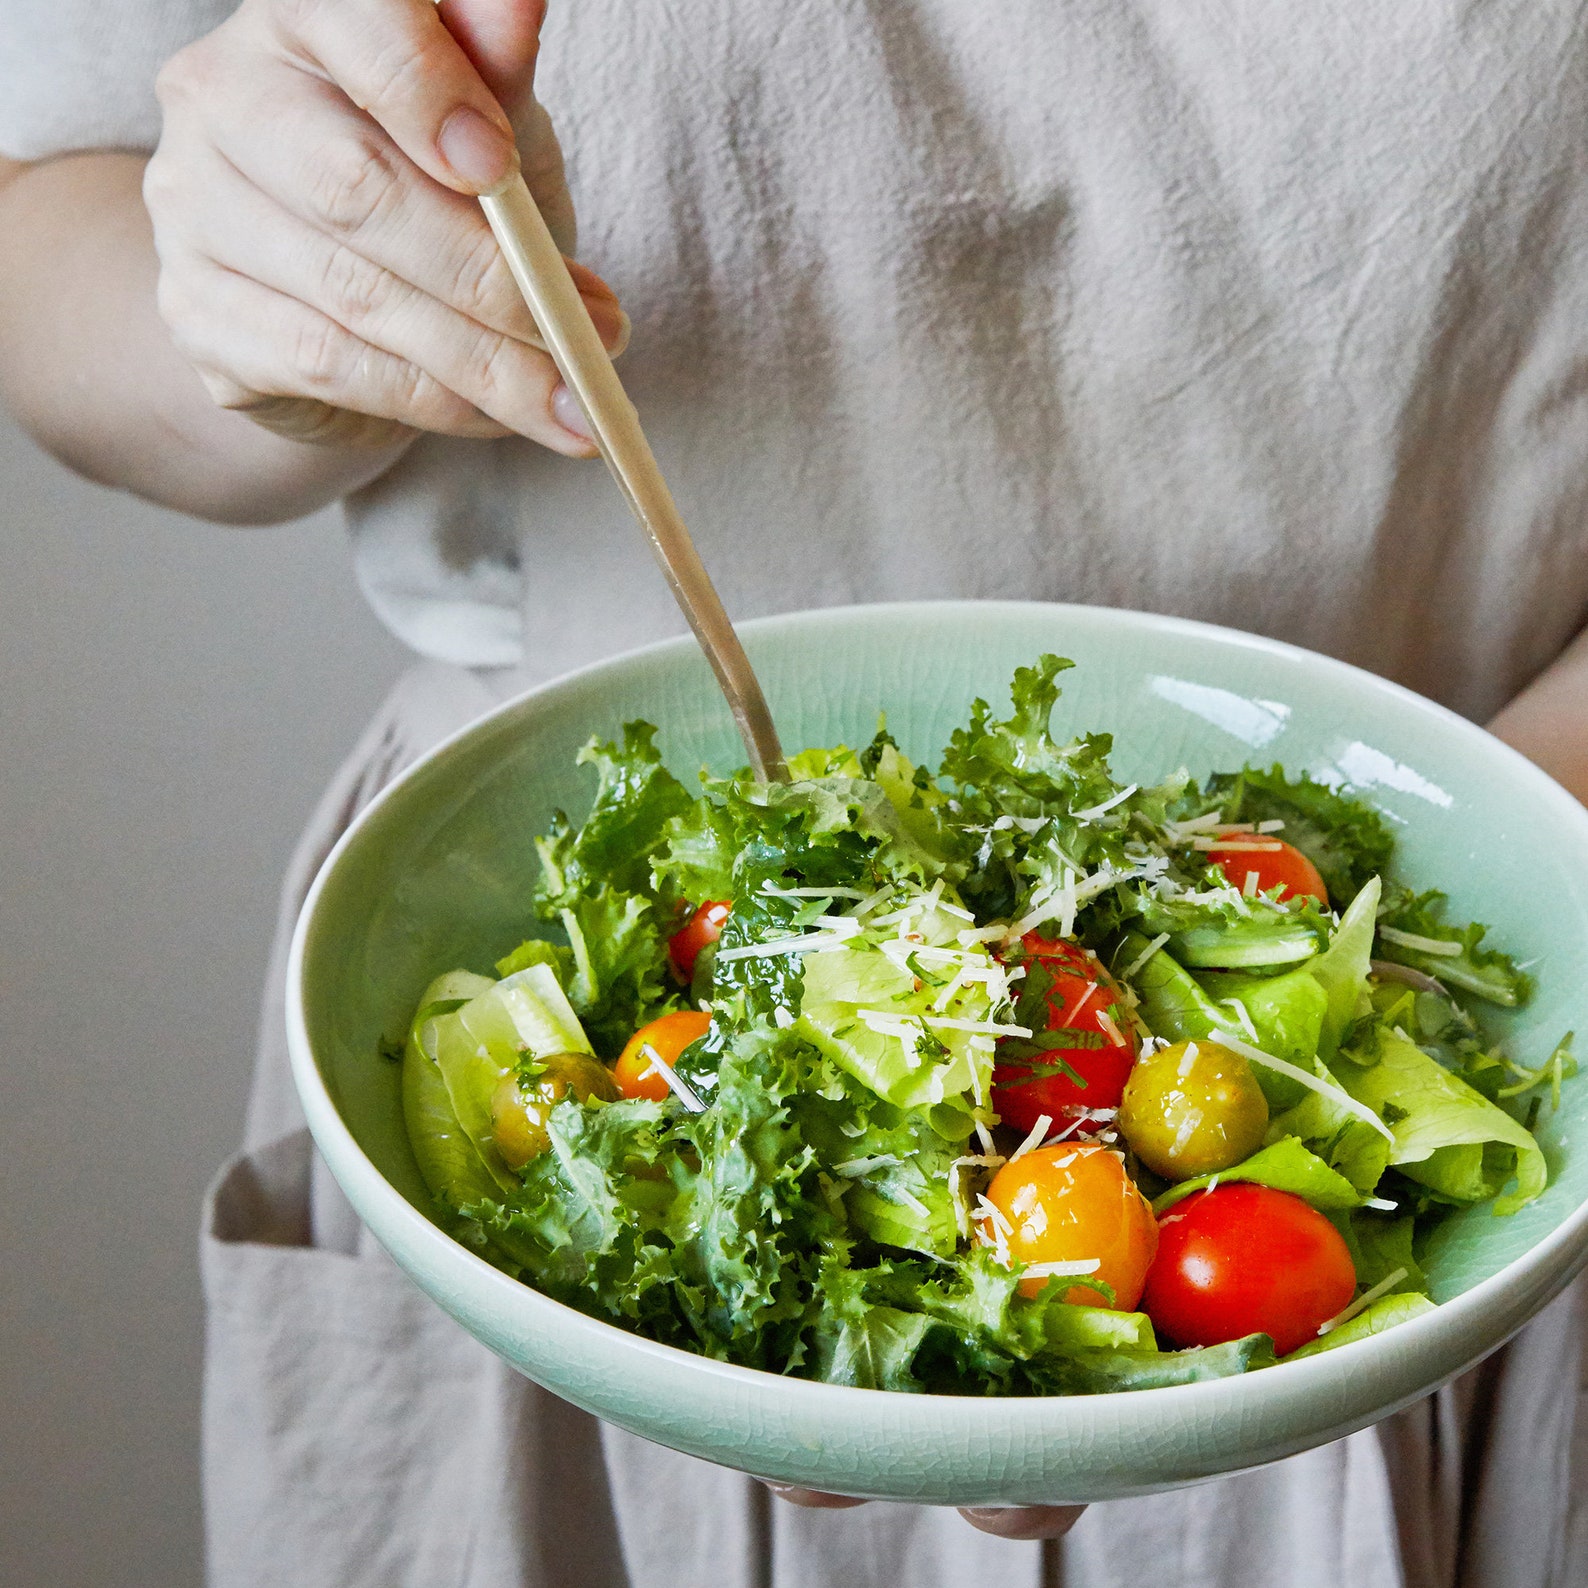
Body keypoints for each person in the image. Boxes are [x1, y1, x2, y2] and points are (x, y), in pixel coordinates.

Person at [3, 1, 1587, 1583]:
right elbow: (42, 232)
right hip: (534, 995)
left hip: (1488, 922)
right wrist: (275, 300)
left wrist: (1518, 840)